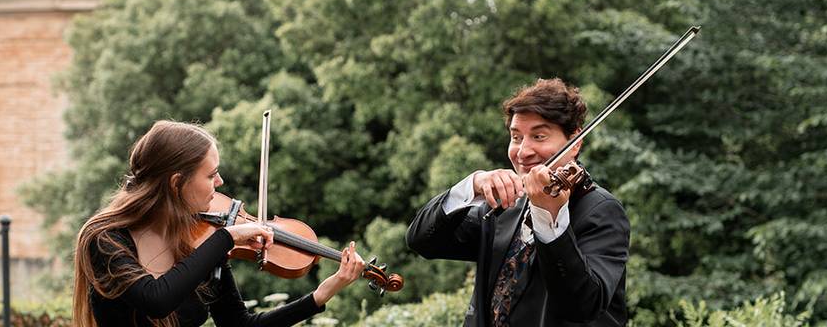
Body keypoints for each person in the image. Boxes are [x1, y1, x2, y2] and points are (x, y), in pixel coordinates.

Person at [73, 120, 366, 327]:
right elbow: (156, 300)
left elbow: (240, 324)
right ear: (177, 183)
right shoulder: (107, 239)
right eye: (211, 174)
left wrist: (321, 294)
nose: (220, 182)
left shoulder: (201, 240)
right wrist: (227, 237)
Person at [406, 78, 629, 327]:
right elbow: (423, 241)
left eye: (539, 136)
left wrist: (549, 220)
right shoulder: (505, 205)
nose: (523, 152)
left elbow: (582, 305)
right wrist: (472, 185)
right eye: (516, 137)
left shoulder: (601, 210)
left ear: (575, 142)